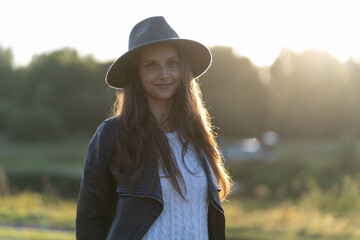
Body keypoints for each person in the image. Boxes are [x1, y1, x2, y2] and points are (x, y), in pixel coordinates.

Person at [76, 16, 231, 240]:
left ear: (183, 68)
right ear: (136, 74)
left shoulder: (197, 134)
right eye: (151, 65)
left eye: (172, 63)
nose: (164, 74)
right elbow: (90, 221)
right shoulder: (112, 135)